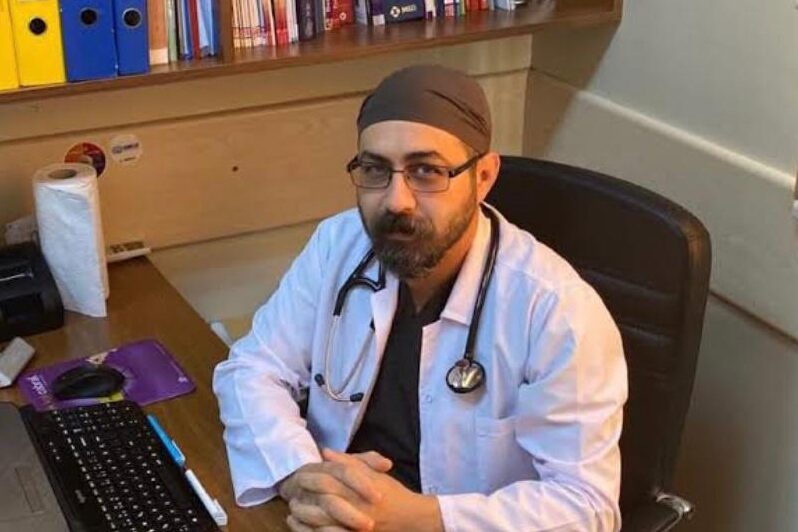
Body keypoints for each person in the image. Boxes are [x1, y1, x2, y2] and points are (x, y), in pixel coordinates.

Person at [213, 64, 627, 532]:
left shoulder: (557, 310)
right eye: (375, 169)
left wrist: (419, 518)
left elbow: (586, 507)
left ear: (484, 176)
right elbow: (252, 369)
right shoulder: (338, 245)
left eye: (426, 171)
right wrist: (301, 475)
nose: (397, 201)